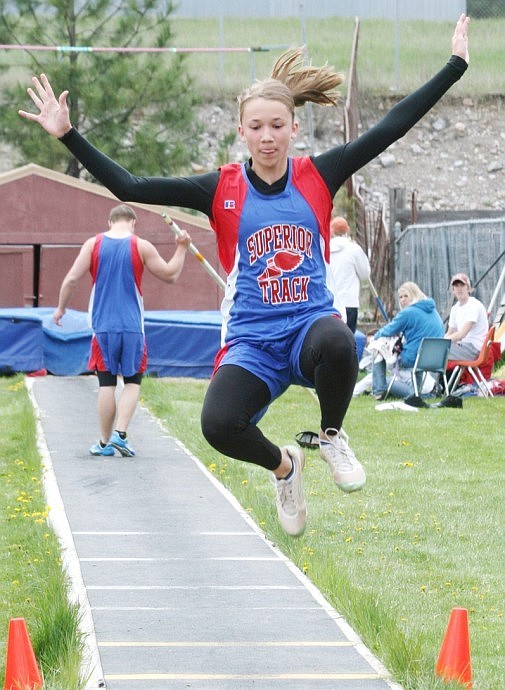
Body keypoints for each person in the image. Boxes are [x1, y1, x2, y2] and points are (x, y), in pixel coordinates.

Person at [19, 14, 469, 536]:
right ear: (241, 131)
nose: (268, 136)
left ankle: (330, 436)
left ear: (294, 127)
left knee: (340, 339)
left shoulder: (319, 175)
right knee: (217, 424)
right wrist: (68, 134)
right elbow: (128, 185)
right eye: (256, 127)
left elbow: (393, 125)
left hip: (307, 330)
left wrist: (455, 65)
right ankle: (286, 466)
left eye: (278, 125)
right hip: (253, 342)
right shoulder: (221, 188)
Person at [52, 203, 191, 457]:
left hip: (102, 326)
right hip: (132, 328)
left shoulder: (93, 244)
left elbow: (71, 279)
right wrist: (181, 248)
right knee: (132, 382)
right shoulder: (141, 245)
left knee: (106, 384)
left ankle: (105, 443)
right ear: (133, 222)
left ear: (109, 222)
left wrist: (61, 308)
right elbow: (170, 274)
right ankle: (121, 434)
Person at [368, 281, 444, 399]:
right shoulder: (434, 311)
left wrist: (374, 337)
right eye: (400, 297)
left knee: (378, 346)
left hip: (414, 360)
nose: (403, 300)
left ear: (414, 295)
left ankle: (379, 390)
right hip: (435, 361)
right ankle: (381, 387)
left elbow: (389, 329)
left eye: (406, 296)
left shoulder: (408, 312)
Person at [327, 216, 370, 333]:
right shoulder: (354, 249)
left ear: (331, 230)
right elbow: (365, 274)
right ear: (347, 230)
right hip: (349, 303)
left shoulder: (325, 249)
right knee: (349, 341)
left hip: (331, 303)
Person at [445, 272, 488, 360]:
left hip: (475, 349)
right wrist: (439, 342)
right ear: (453, 290)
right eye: (456, 286)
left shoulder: (474, 305)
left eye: (462, 285)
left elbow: (462, 334)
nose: (459, 289)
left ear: (468, 288)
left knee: (439, 351)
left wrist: (442, 343)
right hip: (463, 346)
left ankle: (429, 374)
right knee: (435, 349)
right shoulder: (454, 309)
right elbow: (450, 333)